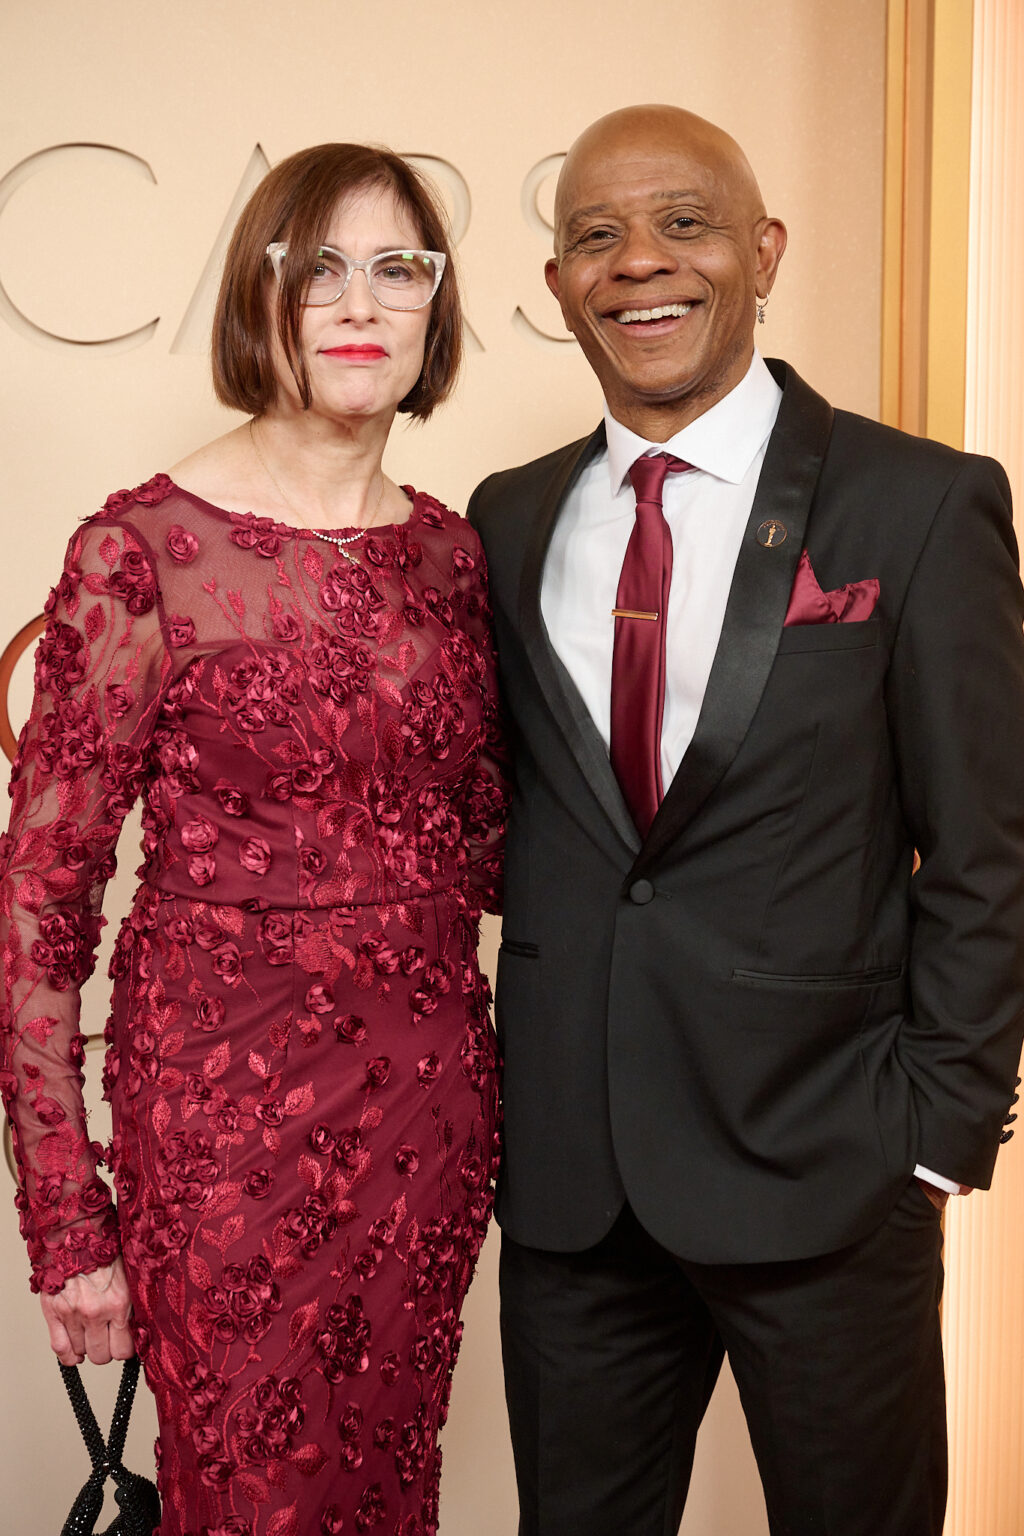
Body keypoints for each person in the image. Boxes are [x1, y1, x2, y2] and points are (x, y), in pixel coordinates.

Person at [467, 104, 1024, 1536]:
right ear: (556, 287)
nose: (638, 262)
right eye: (594, 235)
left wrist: (939, 1133)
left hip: (833, 1173)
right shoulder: (509, 518)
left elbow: (987, 847)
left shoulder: (920, 502)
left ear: (763, 250)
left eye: (684, 222)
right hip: (576, 1188)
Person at [0, 142, 506, 1536]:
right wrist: (65, 1219)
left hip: (430, 1118)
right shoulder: (143, 552)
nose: (361, 301)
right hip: (220, 1127)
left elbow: (497, 850)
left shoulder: (458, 559)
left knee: (391, 1494)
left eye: (400, 267)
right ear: (259, 297)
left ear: (434, 311)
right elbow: (37, 909)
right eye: (318, 266)